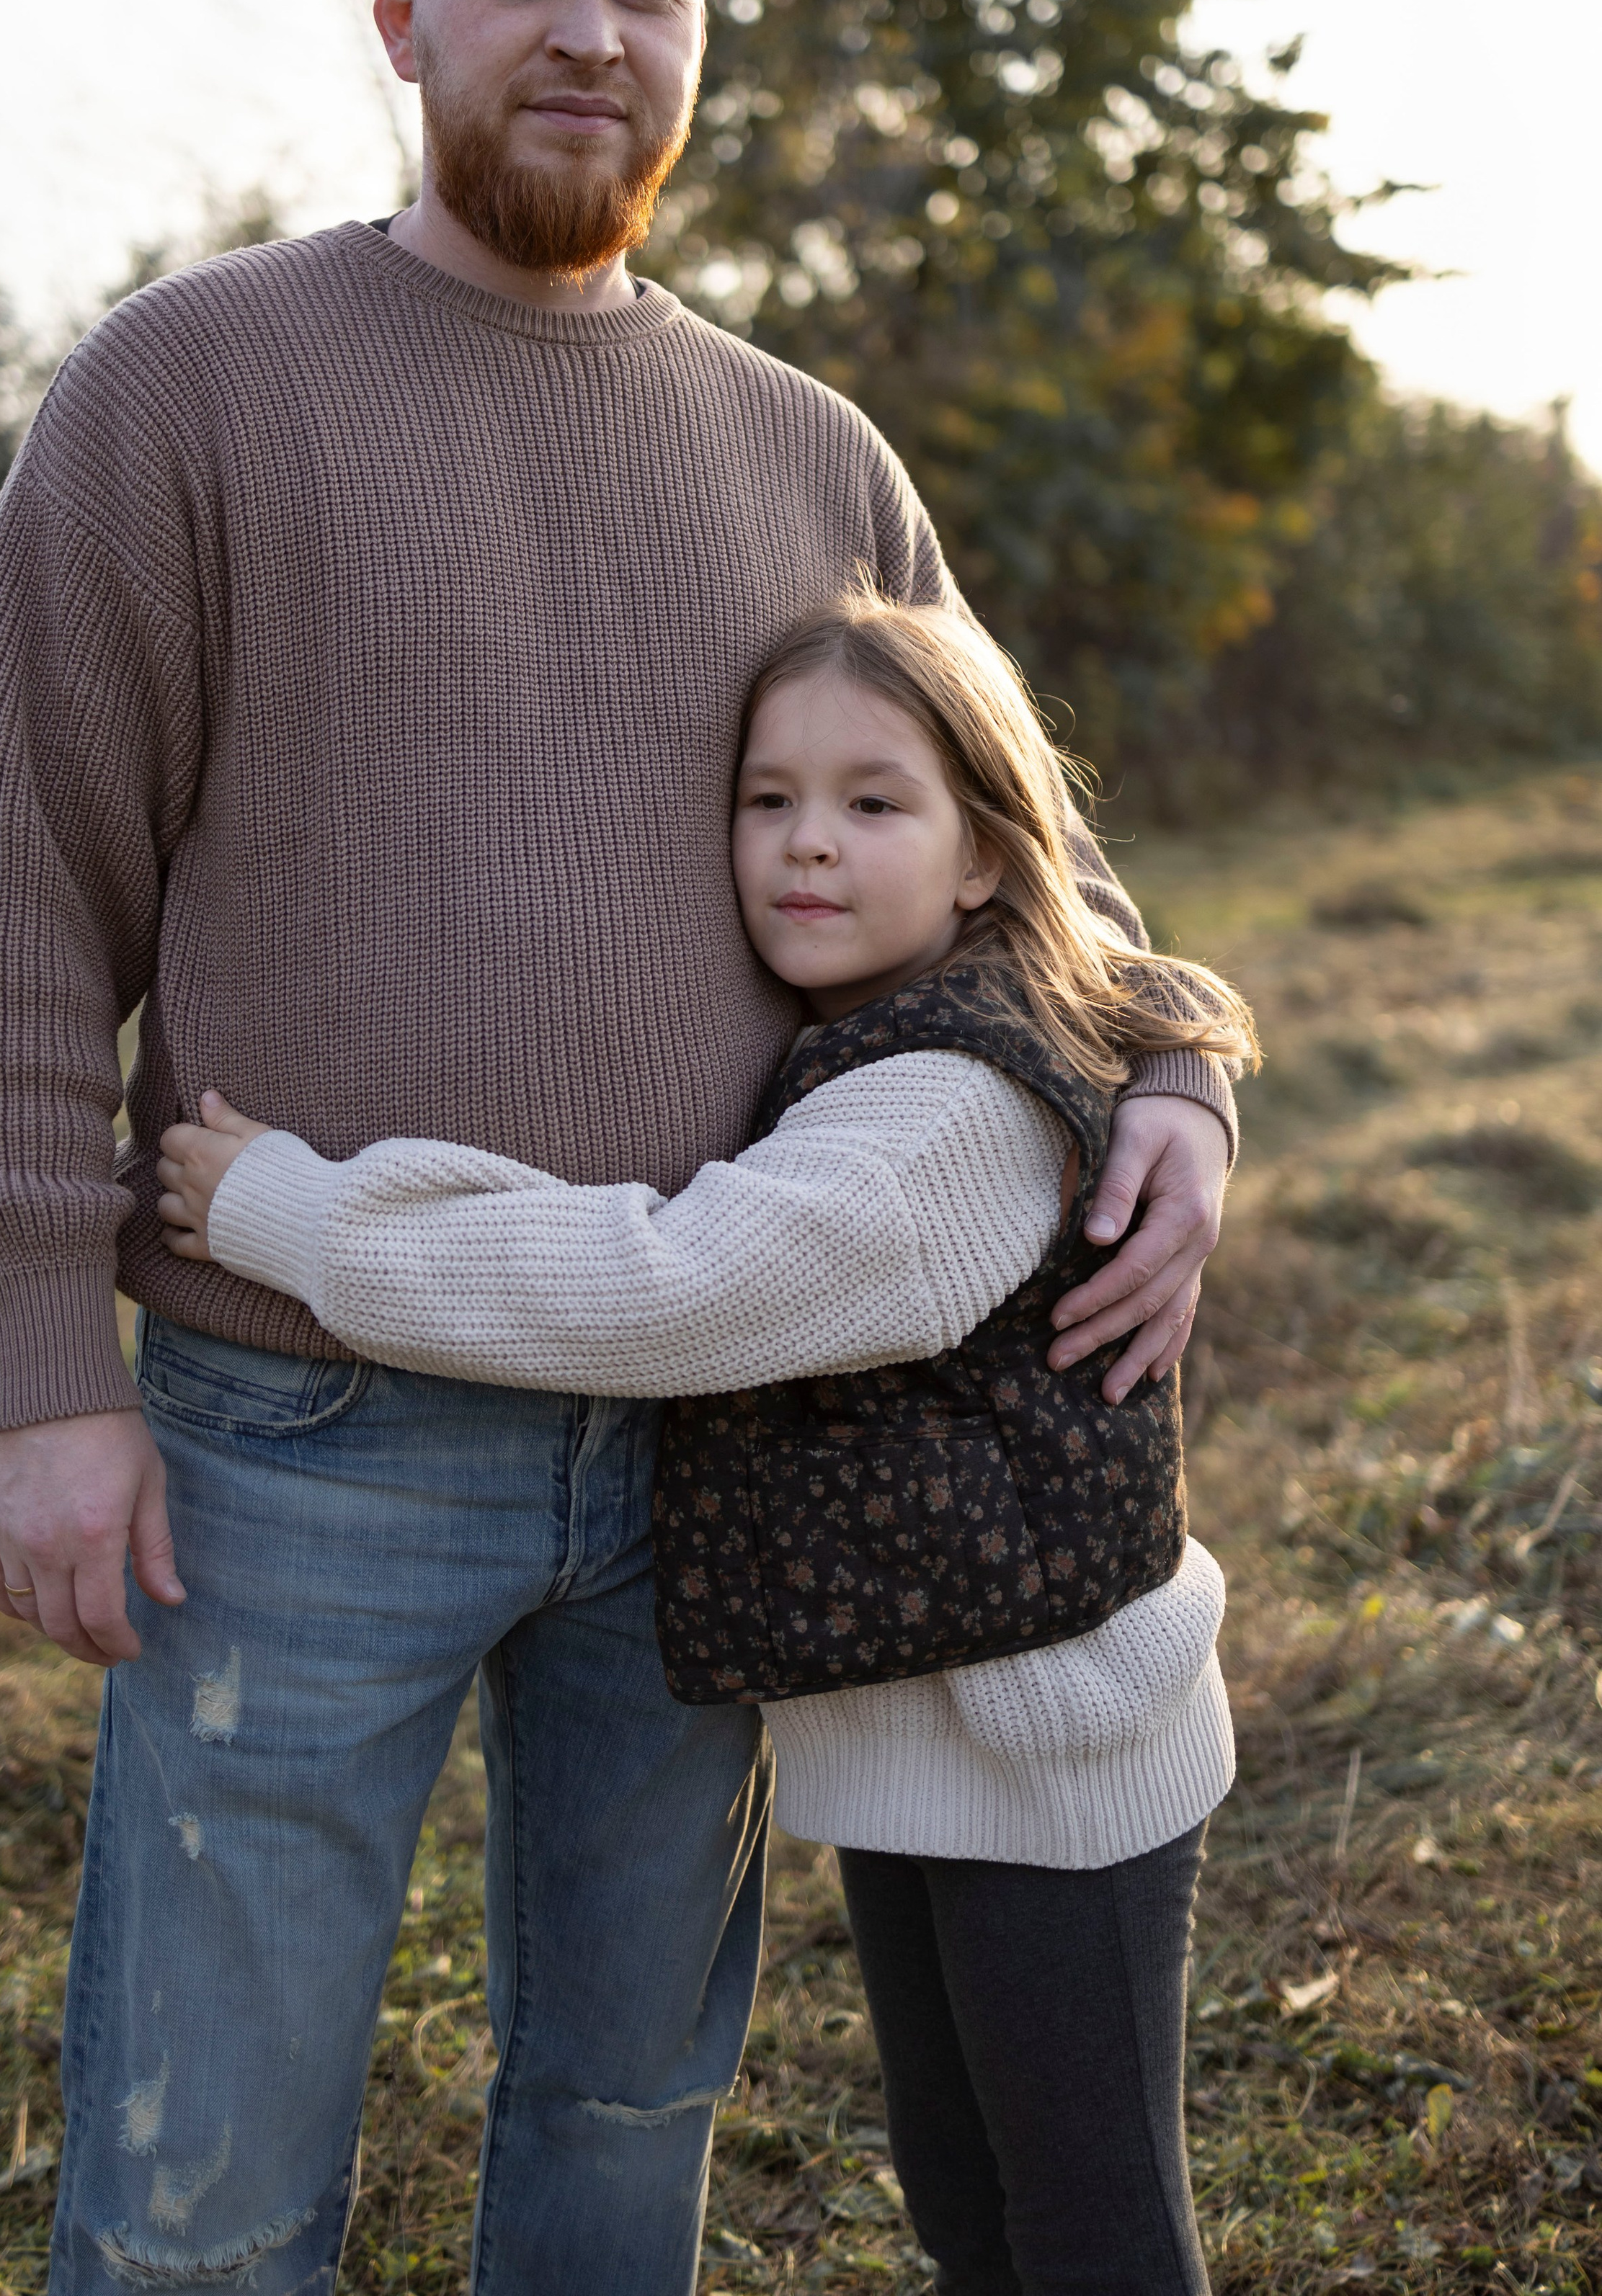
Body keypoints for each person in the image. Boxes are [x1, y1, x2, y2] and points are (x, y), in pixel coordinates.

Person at [0, 0, 1240, 2296]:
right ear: (405, 16)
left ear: (700, 35)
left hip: (716, 1454)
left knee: (627, 2124)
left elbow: (1024, 859)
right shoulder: (184, 391)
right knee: (201, 2189)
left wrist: (1173, 1070)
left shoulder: (806, 452)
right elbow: (14, 904)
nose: (589, 32)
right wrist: (36, 1370)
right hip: (290, 1433)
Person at [159, 589, 1255, 2296]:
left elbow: (668, 1280)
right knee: (971, 2207)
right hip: (931, 1726)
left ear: (983, 856)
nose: (805, 848)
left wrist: (299, 1213)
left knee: (1093, 2236)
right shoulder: (891, 1032)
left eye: (871, 804)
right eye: (767, 800)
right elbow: (688, 1230)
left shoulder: (945, 1108)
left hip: (1057, 1763)